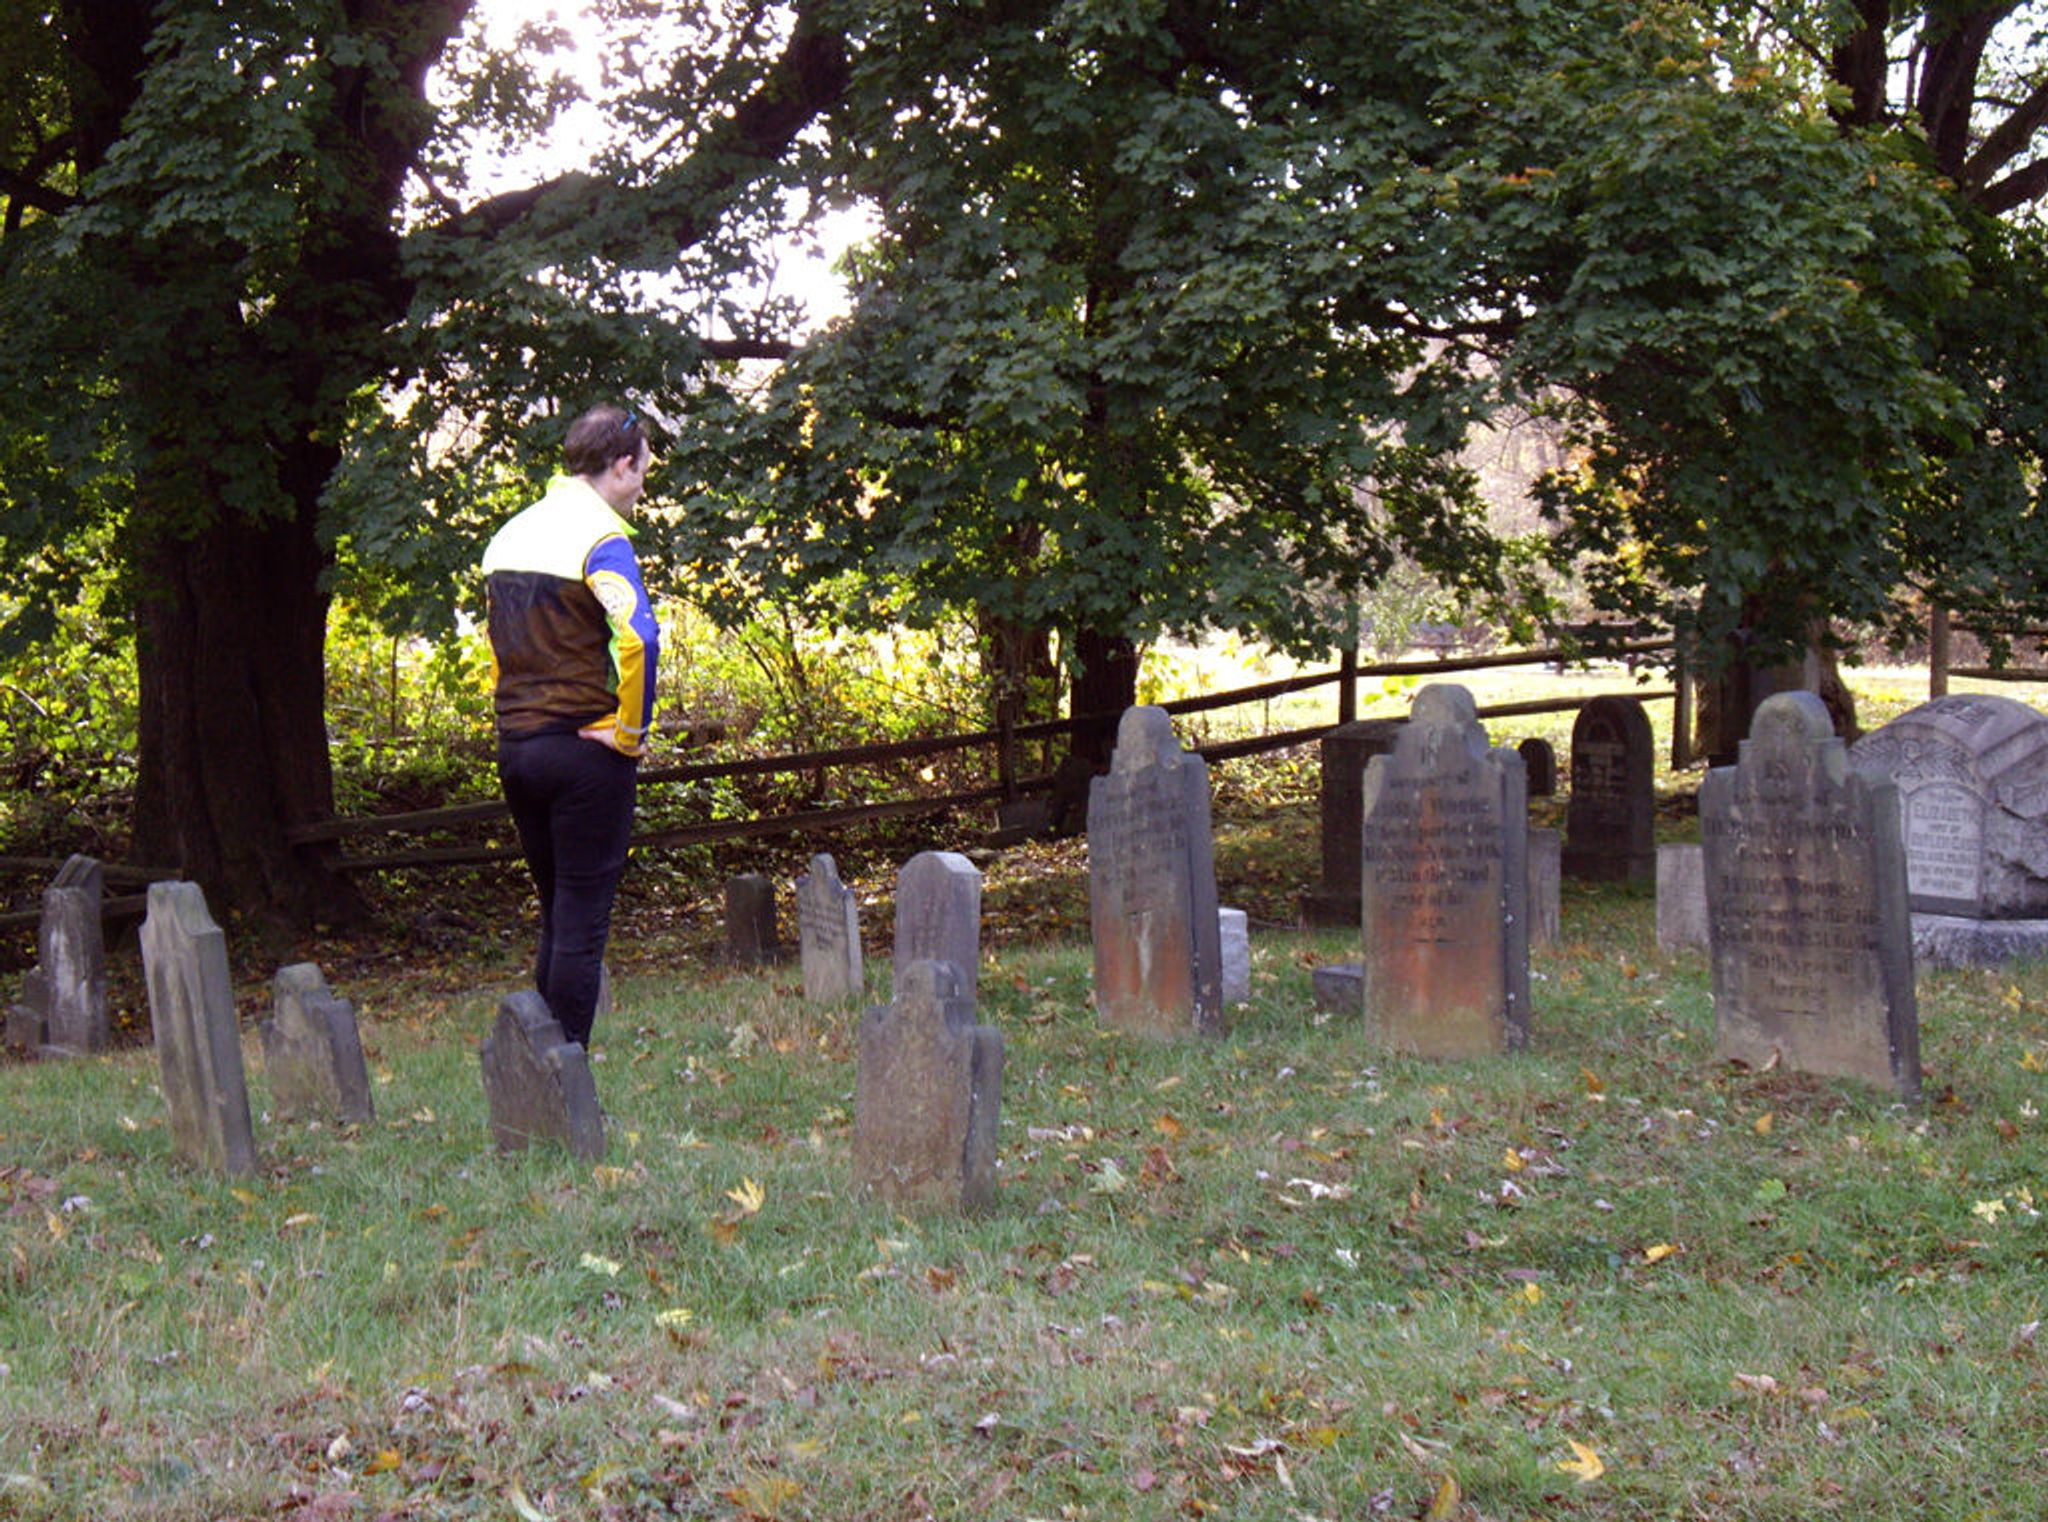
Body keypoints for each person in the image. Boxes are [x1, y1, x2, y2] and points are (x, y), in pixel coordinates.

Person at [481, 404, 659, 1050]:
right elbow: (637, 636)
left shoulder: (507, 538)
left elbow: (500, 646)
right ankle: (564, 1082)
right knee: (582, 924)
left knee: (557, 915)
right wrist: (629, 734)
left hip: (518, 747)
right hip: (585, 752)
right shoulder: (602, 538)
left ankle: (536, 1071)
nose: (643, 485)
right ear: (620, 466)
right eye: (643, 471)